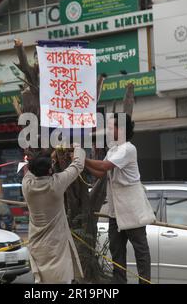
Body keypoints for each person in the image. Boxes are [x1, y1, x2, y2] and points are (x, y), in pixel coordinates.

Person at [85, 113, 155, 284]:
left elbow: (105, 166)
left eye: (111, 128)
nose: (108, 131)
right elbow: (101, 173)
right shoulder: (113, 150)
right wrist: (82, 163)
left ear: (121, 129)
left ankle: (144, 282)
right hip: (115, 211)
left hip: (132, 208)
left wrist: (83, 159)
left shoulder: (128, 148)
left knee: (141, 251)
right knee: (116, 252)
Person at [22, 146, 86, 284]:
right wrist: (77, 147)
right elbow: (77, 165)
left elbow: (28, 170)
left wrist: (49, 156)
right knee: (61, 279)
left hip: (37, 245)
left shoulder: (27, 185)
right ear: (51, 170)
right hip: (57, 245)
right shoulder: (56, 183)